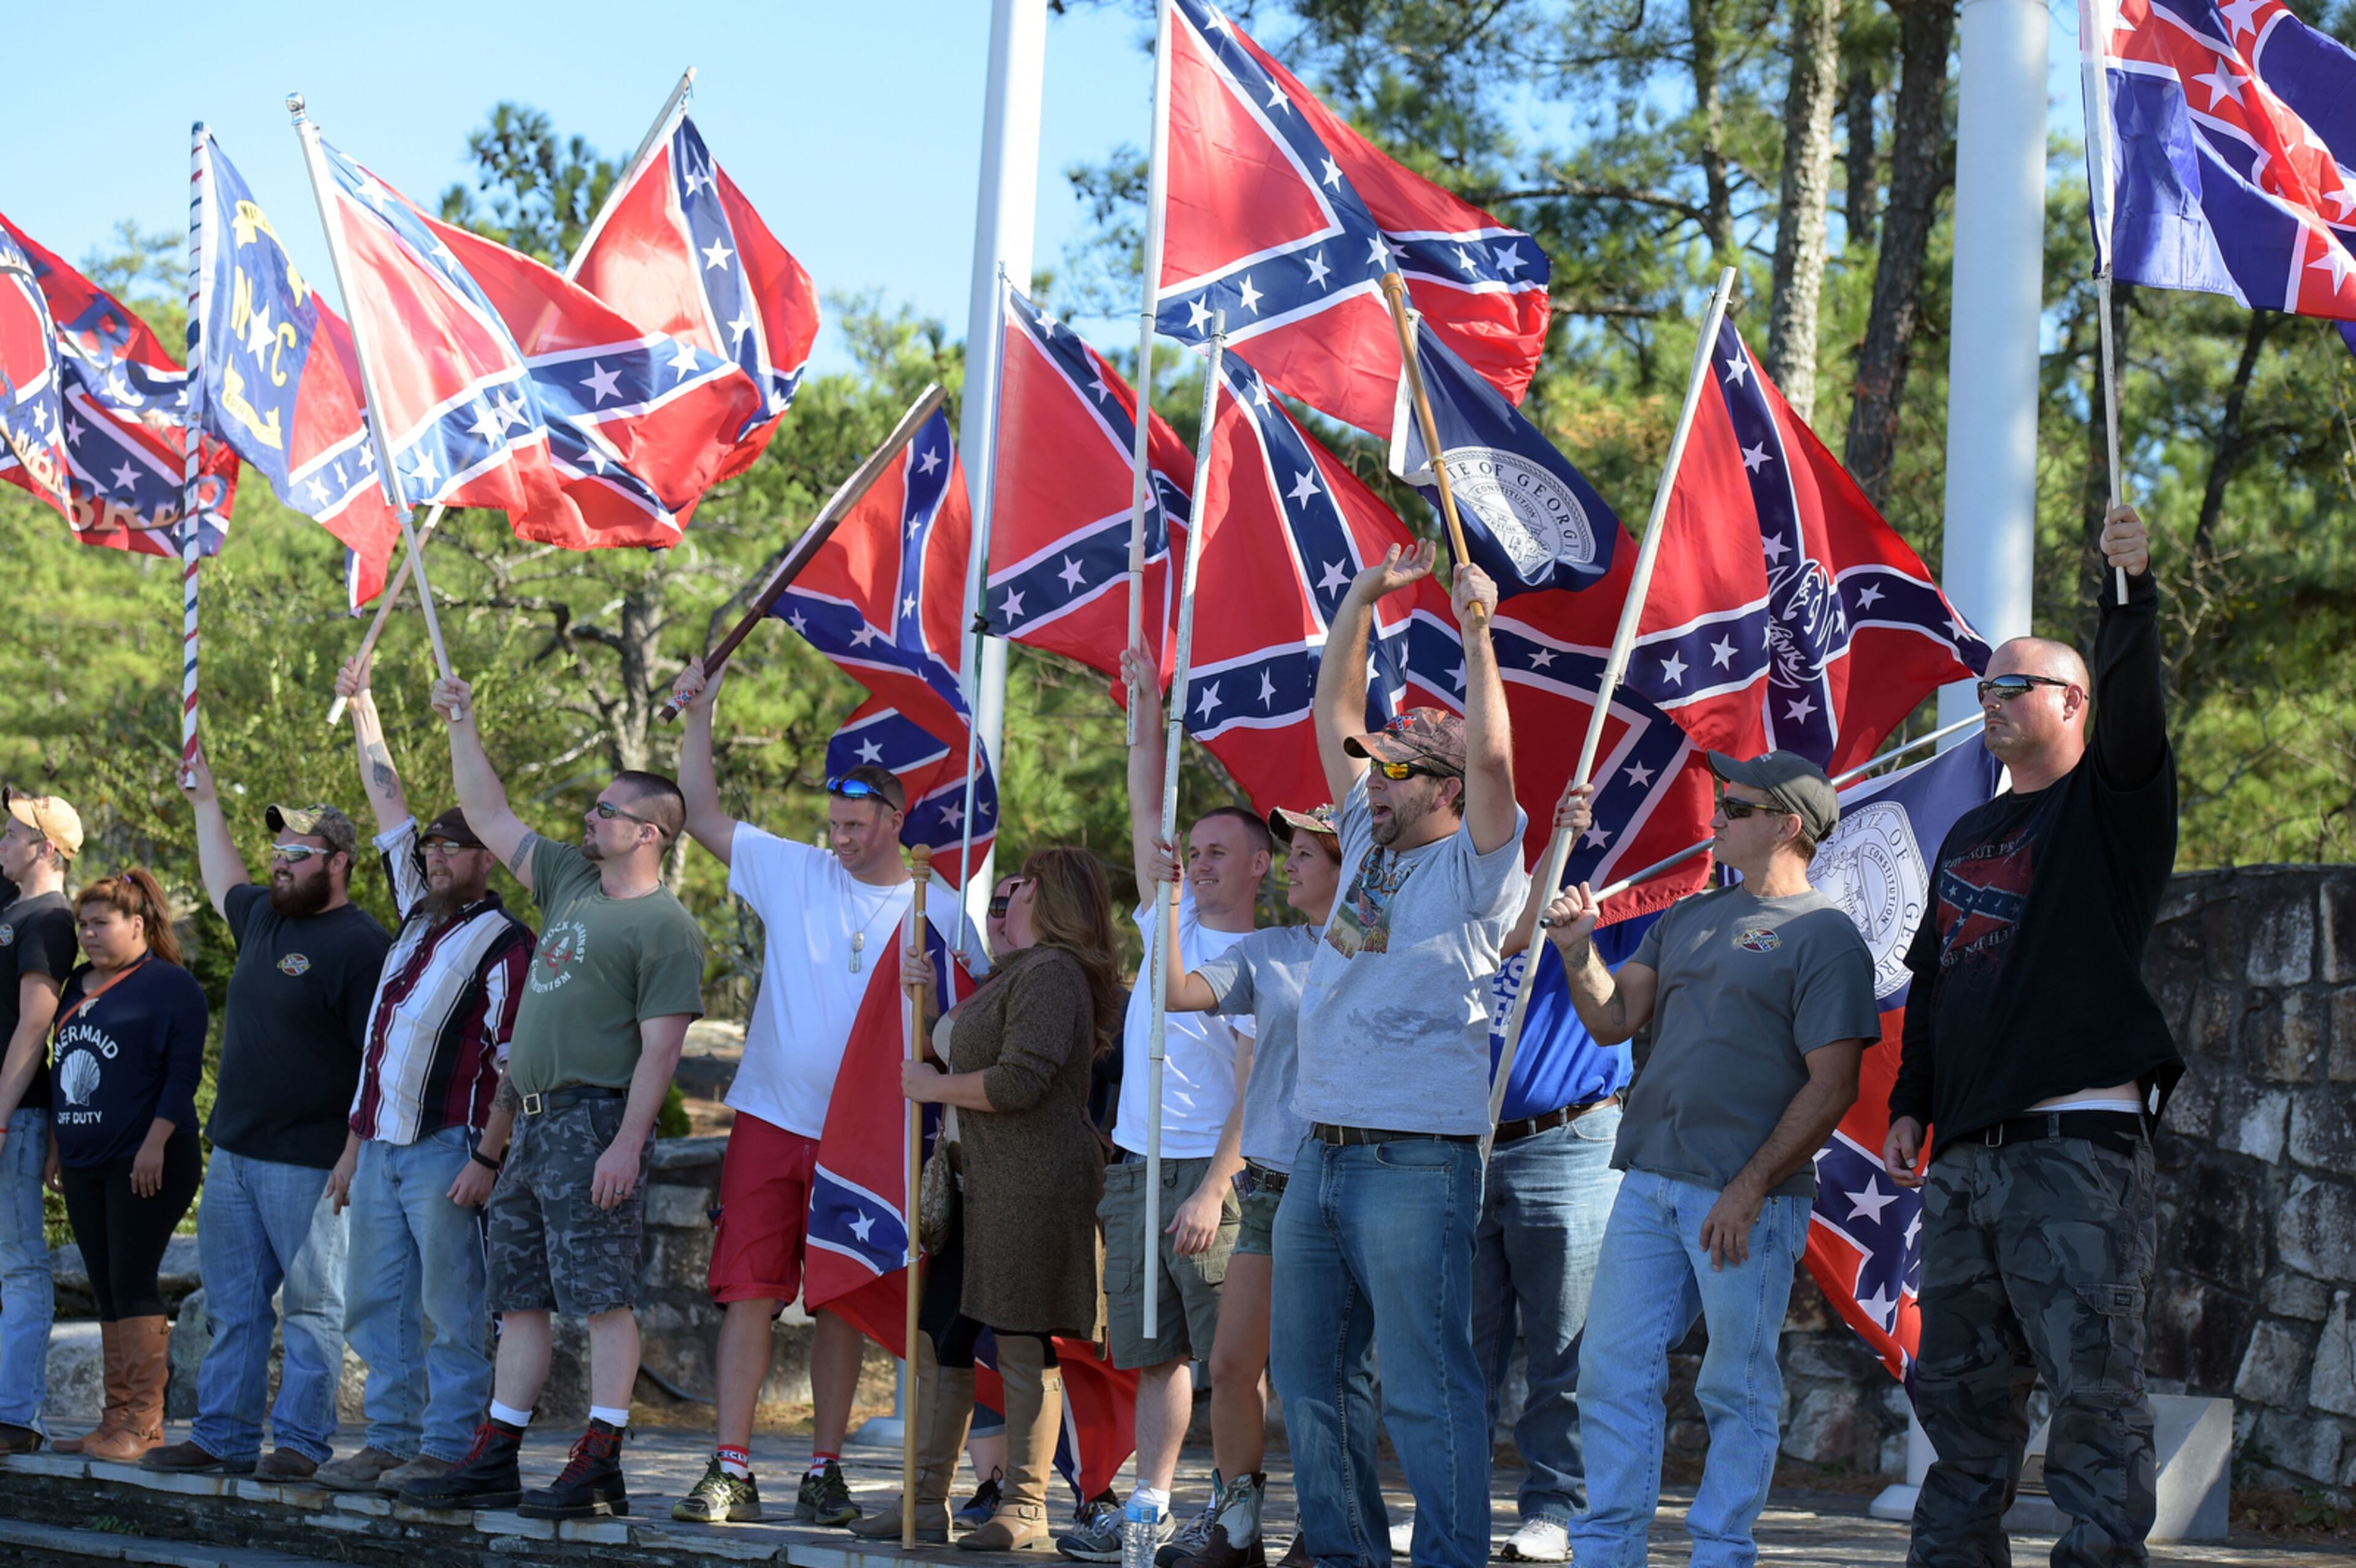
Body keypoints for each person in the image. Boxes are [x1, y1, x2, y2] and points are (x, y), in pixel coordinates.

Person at [1885, 504, 2179, 1568]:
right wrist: (1913, 1100)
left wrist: (2129, 596)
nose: (1990, 699)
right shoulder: (1971, 830)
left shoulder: (2113, 809)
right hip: (1966, 1163)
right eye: (1985, 685)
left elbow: (2141, 719)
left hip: (2075, 1155)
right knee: (1959, 1403)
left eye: (2014, 685)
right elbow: (1933, 979)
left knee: (2094, 1392)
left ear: (2073, 703)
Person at [1541, 752, 1879, 1567]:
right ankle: (1606, 1551)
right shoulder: (1689, 915)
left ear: (1787, 825)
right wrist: (1576, 951)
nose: (1718, 814)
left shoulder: (1826, 936)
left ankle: (1723, 1552)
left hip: (1747, 1200)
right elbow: (1614, 1020)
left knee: (1737, 1384)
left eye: (1737, 805)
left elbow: (1833, 1087)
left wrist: (1750, 1187)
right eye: (1722, 801)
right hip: (1648, 1182)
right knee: (1610, 1371)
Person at [665, 655, 974, 1528]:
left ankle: (824, 1469)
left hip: (866, 1136)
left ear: (895, 820)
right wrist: (701, 713)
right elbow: (703, 814)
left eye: (855, 826)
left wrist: (932, 992)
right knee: (749, 1292)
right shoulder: (794, 869)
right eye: (832, 823)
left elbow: (972, 1019)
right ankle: (731, 1467)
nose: (838, 838)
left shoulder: (936, 904)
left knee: (840, 1296)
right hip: (770, 1116)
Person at [1274, 542, 1528, 1568]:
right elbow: (1330, 703)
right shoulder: (1365, 835)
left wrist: (1476, 632)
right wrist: (1360, 600)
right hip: (1319, 1151)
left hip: (1416, 1159)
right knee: (1311, 1381)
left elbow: (1501, 765)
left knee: (1425, 1388)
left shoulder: (1478, 864)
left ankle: (1453, 1559)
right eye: (1371, 768)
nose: (1369, 777)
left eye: (1392, 769)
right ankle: (1344, 1556)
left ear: (1443, 786)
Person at [404, 674, 705, 1521]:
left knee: (603, 1296)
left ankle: (600, 1453)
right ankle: (497, 1453)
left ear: (648, 833)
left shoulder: (668, 928)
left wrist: (628, 1143)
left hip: (595, 1120)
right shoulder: (572, 881)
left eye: (608, 812)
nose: (591, 818)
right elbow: (491, 816)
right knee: (520, 1297)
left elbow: (661, 1050)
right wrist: (462, 721)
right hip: (533, 1124)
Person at [1055, 646, 1265, 1564]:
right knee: (1151, 1356)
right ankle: (1150, 1506)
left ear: (1261, 865)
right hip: (1135, 1169)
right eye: (1197, 850)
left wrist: (1216, 1187)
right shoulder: (1165, 917)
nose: (1201, 861)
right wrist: (1145, 703)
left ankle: (1234, 1512)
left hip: (1208, 1178)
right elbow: (1150, 806)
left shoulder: (1268, 959)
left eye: (1221, 852)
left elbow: (1259, 1093)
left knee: (1229, 1363)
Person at [314, 656, 534, 1496]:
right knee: (375, 1303)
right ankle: (391, 1439)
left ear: (489, 858)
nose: (437, 855)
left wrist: (487, 1157)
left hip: (449, 1147)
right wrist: (363, 704)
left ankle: (446, 1446)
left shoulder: (508, 943)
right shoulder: (416, 911)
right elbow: (387, 803)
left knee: (450, 1308)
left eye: (457, 846)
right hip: (380, 1145)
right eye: (434, 846)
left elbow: (514, 1063)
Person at [147, 754, 391, 1480]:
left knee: (314, 1312)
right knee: (233, 1307)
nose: (278, 863)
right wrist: (206, 802)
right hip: (235, 1155)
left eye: (296, 852)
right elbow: (223, 874)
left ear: (339, 862)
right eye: (276, 851)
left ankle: (301, 1446)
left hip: (312, 1162)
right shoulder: (261, 917)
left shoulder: (363, 946)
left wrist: (353, 1154)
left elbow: (375, 1066)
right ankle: (219, 1438)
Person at [879, 846, 1121, 1551]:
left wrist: (931, 1087)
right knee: (942, 1338)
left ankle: (1026, 1509)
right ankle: (924, 1502)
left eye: (1021, 889)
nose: (1005, 899)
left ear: (1050, 901)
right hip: (972, 1185)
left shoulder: (1054, 974)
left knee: (1021, 1340)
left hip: (1029, 1187)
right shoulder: (1012, 977)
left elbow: (1017, 1083)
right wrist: (922, 1005)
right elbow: (964, 1053)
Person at [1147, 800, 1343, 1568]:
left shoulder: (1376, 946)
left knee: (1318, 1375)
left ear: (1344, 864)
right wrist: (1167, 898)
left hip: (1344, 1183)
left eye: (1305, 854)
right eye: (1287, 851)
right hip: (1267, 1187)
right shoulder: (1266, 948)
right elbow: (1174, 992)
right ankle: (1237, 1529)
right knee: (1229, 1366)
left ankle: (1326, 1530)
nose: (1290, 864)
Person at [1465, 882, 1639, 1563]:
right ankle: (1455, 1506)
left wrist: (1577, 930)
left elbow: (1622, 999)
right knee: (1459, 1345)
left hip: (1569, 1140)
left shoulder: (1614, 883)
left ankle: (1555, 1508)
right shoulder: (1477, 879)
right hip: (1463, 1140)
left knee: (1566, 1346)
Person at [40, 870, 207, 1461]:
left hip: (150, 1158)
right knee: (106, 1283)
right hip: (85, 1158)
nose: (87, 934)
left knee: (132, 1278)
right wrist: (59, 1146)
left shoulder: (171, 987)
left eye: (100, 923)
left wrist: (156, 1141)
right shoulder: (75, 986)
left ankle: (144, 1422)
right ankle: (112, 1421)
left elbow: (183, 1074)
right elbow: (62, 1070)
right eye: (83, 924)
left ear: (137, 925)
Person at [0, 788, 79, 1455]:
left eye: (11, 836)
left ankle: (16, 1418)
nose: (2, 844)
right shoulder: (13, 905)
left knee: (21, 1267)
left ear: (44, 850)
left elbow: (34, 1024)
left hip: (15, 1118)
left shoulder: (50, 919)